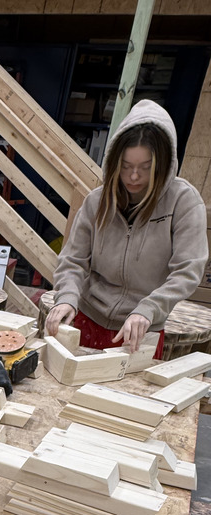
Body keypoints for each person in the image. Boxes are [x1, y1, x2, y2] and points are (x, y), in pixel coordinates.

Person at [45, 100, 208, 358]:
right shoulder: (97, 201)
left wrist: (149, 309)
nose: (133, 177)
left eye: (145, 168)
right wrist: (66, 297)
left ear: (164, 164)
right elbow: (73, 260)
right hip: (87, 319)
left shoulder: (183, 202)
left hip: (140, 330)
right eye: (126, 166)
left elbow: (188, 271)